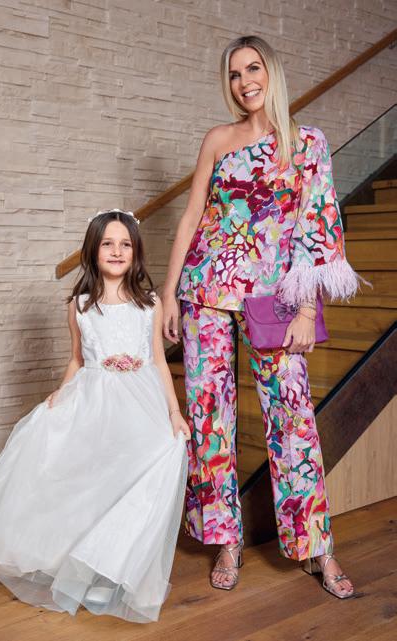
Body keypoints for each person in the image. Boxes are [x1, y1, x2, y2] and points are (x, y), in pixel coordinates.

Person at [162, 35, 362, 597]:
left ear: (271, 73)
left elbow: (316, 228)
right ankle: (225, 540)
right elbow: (193, 215)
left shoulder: (308, 143)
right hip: (206, 290)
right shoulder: (218, 140)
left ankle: (317, 547)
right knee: (209, 417)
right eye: (234, 73)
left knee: (293, 418)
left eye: (253, 69)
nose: (244, 81)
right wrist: (170, 293)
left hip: (275, 298)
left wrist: (307, 307)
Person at [0, 209, 190, 623]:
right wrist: (61, 392)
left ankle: (112, 567)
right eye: (108, 244)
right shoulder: (80, 306)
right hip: (94, 399)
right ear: (92, 251)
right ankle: (79, 565)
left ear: (136, 252)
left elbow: (159, 361)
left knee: (152, 461)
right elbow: (77, 359)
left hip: (140, 400)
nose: (117, 251)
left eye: (125, 244)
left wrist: (174, 411)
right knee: (89, 479)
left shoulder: (150, 303)